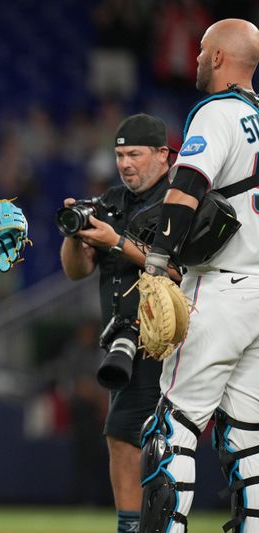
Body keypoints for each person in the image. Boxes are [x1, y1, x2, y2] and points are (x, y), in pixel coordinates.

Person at [137, 19, 259, 533]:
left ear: (217, 58)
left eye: (202, 50)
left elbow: (188, 185)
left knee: (171, 429)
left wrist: (159, 258)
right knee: (249, 435)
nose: (195, 59)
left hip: (221, 285)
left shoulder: (218, 112)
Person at [60, 113, 176, 533]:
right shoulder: (111, 201)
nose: (125, 163)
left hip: (166, 339)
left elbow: (182, 269)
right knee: (126, 436)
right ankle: (139, 525)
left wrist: (118, 242)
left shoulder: (179, 199)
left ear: (163, 155)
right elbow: (77, 270)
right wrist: (76, 235)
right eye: (120, 154)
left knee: (129, 435)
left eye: (135, 154)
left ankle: (138, 527)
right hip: (123, 342)